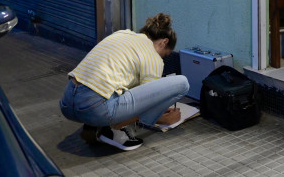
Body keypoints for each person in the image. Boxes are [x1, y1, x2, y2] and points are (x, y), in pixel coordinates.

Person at [59, 13, 189, 151]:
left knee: (120, 84)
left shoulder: (122, 34)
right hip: (96, 108)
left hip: (67, 103)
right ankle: (114, 126)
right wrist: (161, 119)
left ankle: (98, 125)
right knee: (182, 83)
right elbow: (146, 103)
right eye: (166, 54)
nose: (163, 58)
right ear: (164, 42)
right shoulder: (153, 56)